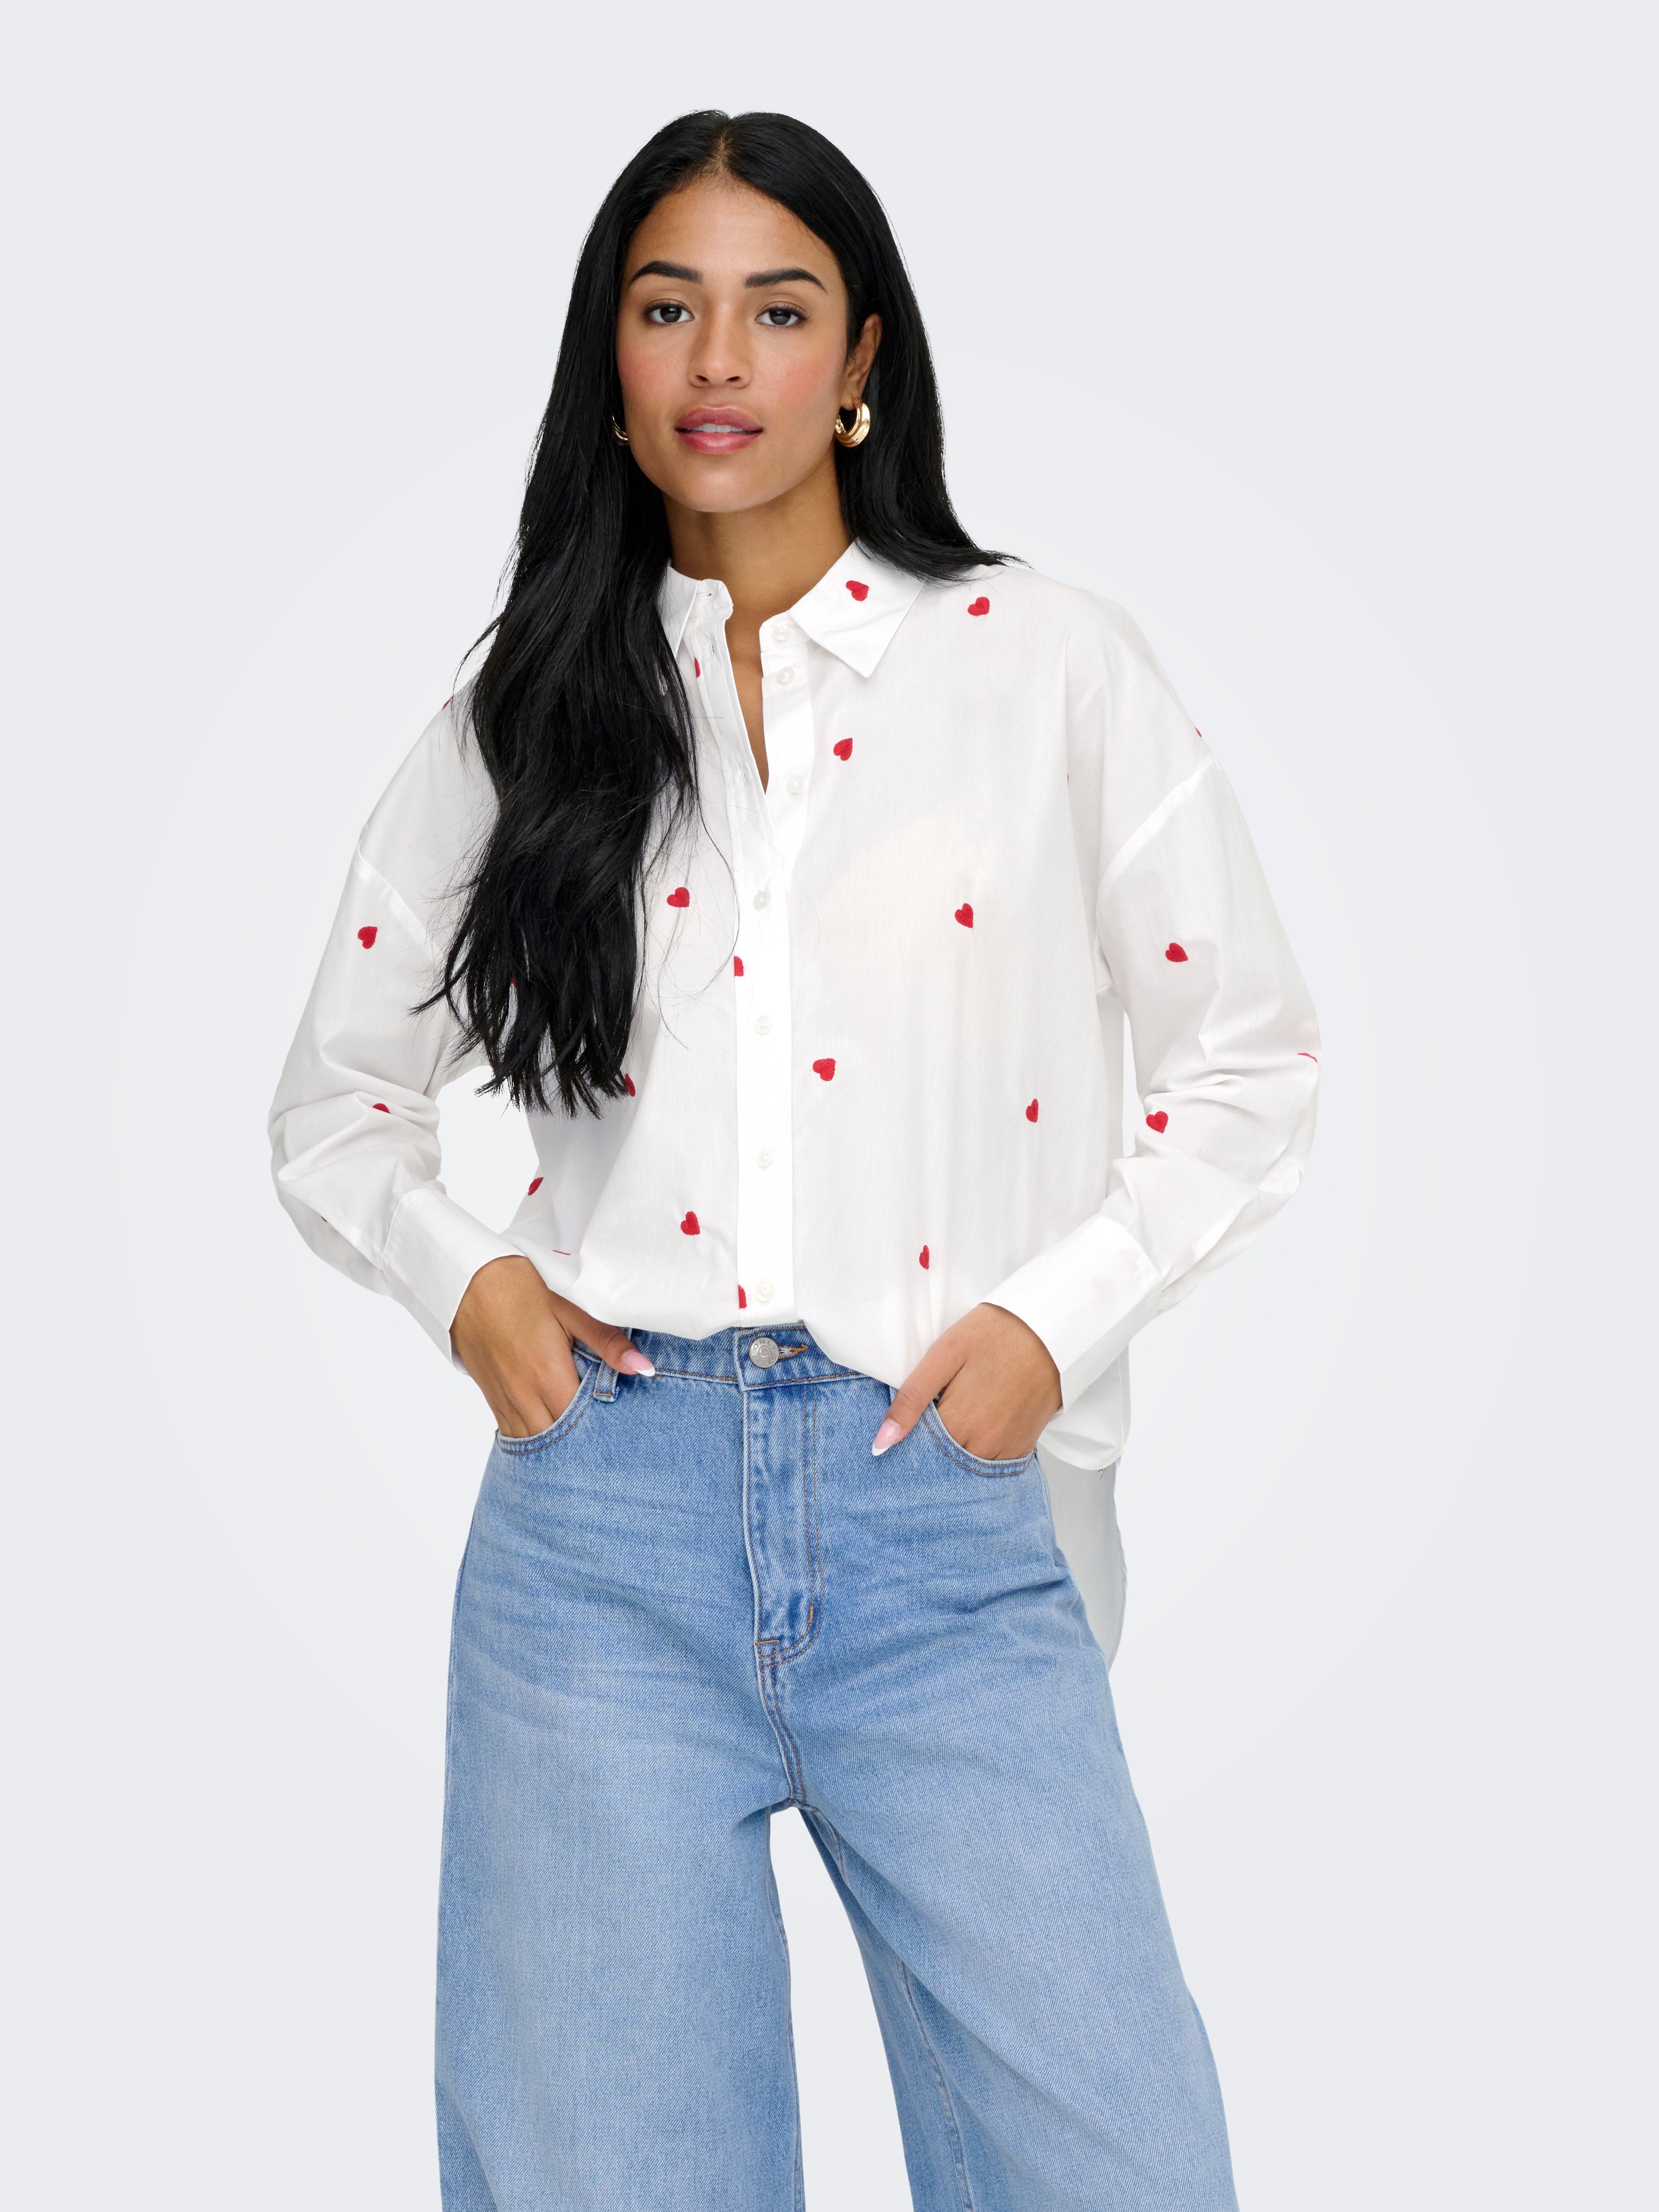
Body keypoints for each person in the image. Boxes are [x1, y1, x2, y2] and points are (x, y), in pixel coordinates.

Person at [269, 107, 1319, 2212]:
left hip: (941, 1509)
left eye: (776, 308)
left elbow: (1245, 1060)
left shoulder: (1042, 663)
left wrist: (1047, 1323)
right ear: (612, 364)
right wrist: (470, 1285)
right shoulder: (529, 714)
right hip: (599, 1540)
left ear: (860, 362)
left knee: (1114, 2162)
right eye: (668, 309)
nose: (720, 360)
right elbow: (334, 1100)